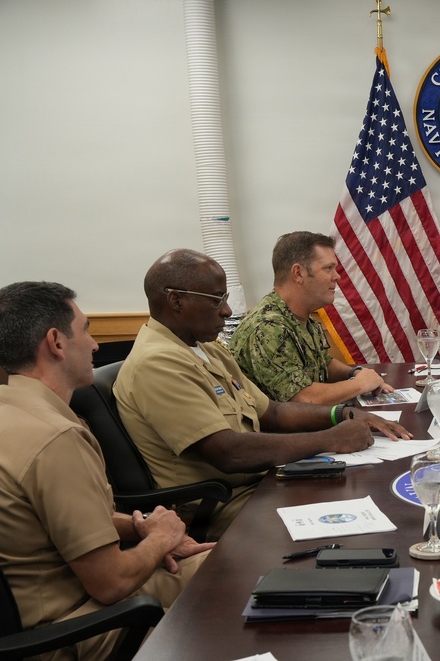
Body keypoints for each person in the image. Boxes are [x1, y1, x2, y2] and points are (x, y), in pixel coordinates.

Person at [114, 249, 411, 541]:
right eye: (217, 299)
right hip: (226, 505)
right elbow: (229, 452)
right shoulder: (158, 363)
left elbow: (273, 412)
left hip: (264, 482)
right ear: (175, 300)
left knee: (375, 494)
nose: (228, 311)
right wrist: (332, 438)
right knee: (364, 523)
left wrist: (343, 415)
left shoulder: (206, 348)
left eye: (226, 298)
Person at [0, 281, 213, 660]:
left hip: (54, 608)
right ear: (56, 342)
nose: (95, 345)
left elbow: (56, 520)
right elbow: (111, 582)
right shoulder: (53, 437)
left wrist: (140, 527)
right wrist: (161, 539)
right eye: (86, 330)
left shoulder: (14, 413)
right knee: (229, 597)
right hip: (70, 630)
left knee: (222, 567)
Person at [230, 231, 391, 404]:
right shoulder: (268, 326)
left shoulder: (302, 317)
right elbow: (302, 398)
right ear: (298, 273)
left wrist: (354, 373)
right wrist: (359, 385)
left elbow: (322, 363)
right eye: (328, 268)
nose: (337, 276)